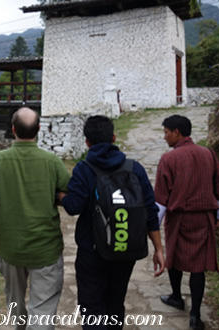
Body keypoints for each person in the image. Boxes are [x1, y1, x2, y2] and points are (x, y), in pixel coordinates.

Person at [57, 115, 165, 330]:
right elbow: (150, 212)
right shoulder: (135, 169)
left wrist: (59, 196)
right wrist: (158, 249)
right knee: (115, 303)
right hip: (126, 250)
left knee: (92, 307)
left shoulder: (84, 169)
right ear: (114, 137)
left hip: (92, 251)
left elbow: (73, 206)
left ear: (87, 142)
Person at [0, 107, 71, 330]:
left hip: (10, 248)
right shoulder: (52, 161)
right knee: (43, 308)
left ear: (12, 130)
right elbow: (70, 195)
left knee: (15, 301)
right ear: (38, 129)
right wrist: (53, 196)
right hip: (45, 248)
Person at [154, 115, 219, 330]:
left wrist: (153, 226)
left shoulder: (169, 159)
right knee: (199, 267)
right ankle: (195, 315)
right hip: (204, 217)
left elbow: (161, 197)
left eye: (166, 132)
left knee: (174, 257)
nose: (165, 137)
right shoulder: (209, 154)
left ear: (177, 132)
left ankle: (177, 297)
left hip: (179, 218)